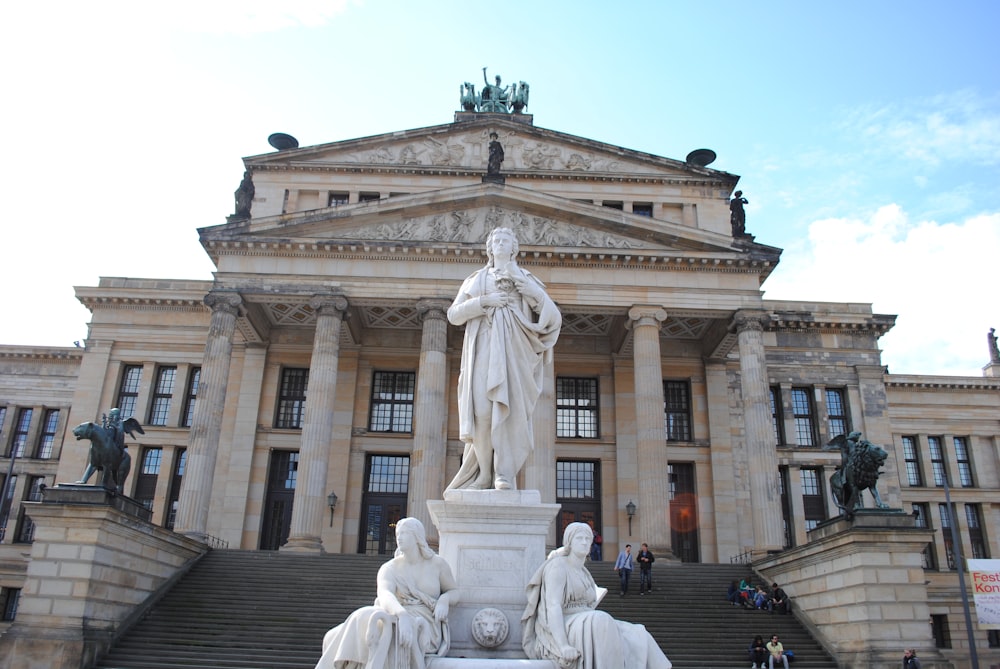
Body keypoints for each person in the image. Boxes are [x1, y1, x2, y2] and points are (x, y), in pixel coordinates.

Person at [445, 227, 562, 491]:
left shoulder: (526, 278)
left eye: (505, 241)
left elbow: (552, 316)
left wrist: (530, 291)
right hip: (483, 349)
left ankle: (504, 474)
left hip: (514, 354)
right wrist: (484, 301)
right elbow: (454, 315)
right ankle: (484, 474)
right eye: (495, 240)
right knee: (482, 413)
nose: (499, 244)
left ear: (514, 249)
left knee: (508, 415)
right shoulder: (476, 279)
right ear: (489, 248)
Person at [522, 522, 672, 669]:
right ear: (569, 542)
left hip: (586, 621)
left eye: (587, 539)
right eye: (579, 538)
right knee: (601, 619)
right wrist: (563, 645)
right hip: (566, 624)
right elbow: (553, 607)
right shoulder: (557, 566)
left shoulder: (584, 572)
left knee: (638, 633)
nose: (584, 542)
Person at [315, 518, 459, 669]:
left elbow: (454, 591)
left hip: (425, 622)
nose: (399, 537)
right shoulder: (389, 568)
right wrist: (402, 614)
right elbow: (384, 595)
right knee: (352, 622)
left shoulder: (437, 564)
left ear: (417, 536)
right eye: (397, 533)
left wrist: (445, 599)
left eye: (404, 533)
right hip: (395, 612)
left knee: (381, 628)